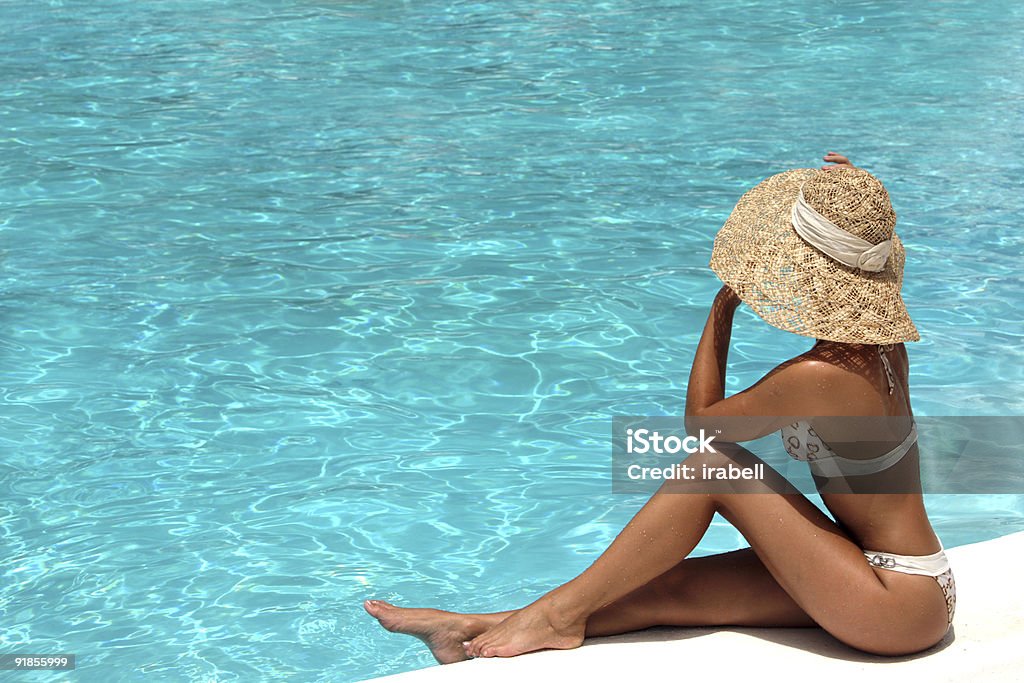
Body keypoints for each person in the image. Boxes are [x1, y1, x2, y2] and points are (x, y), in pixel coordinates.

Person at [364, 151, 955, 662]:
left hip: (893, 601)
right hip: (899, 580)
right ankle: (470, 628)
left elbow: (701, 425)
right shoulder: (882, 347)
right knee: (661, 589)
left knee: (714, 466)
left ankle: (553, 621)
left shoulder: (818, 375)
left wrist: (721, 313)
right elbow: (874, 249)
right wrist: (856, 189)